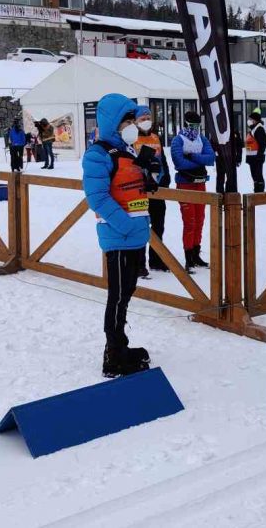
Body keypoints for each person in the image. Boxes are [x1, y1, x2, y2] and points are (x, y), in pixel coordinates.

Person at [82, 93, 154, 378]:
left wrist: (152, 174)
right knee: (118, 297)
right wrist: (124, 226)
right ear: (113, 122)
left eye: (132, 120)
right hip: (120, 237)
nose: (132, 125)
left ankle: (121, 345)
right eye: (126, 120)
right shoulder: (97, 155)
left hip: (136, 236)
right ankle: (113, 354)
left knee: (127, 293)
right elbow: (97, 198)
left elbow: (137, 188)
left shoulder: (131, 150)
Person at [170, 111, 216, 271]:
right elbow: (179, 163)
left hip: (200, 183)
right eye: (192, 126)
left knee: (200, 219)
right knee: (189, 221)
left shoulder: (201, 139)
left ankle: (196, 253)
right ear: (186, 124)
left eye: (198, 126)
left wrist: (192, 157)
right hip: (185, 184)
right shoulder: (178, 140)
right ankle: (188, 256)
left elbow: (211, 158)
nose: (195, 129)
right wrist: (198, 159)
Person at [133, 105, 172, 273]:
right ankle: (139, 263)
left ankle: (156, 260)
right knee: (141, 226)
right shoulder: (131, 138)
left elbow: (162, 160)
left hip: (158, 187)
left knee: (158, 225)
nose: (146, 121)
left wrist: (166, 178)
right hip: (140, 189)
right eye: (142, 119)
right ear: (135, 122)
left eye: (148, 118)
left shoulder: (156, 137)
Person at [212, 127, 243, 194]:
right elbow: (212, 143)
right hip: (220, 158)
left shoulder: (233, 131)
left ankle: (229, 195)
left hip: (231, 158)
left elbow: (239, 145)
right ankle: (220, 196)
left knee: (231, 177)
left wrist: (238, 158)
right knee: (220, 178)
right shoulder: (217, 130)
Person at [245, 108, 266, 192]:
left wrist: (259, 155)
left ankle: (260, 192)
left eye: (250, 119)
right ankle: (256, 191)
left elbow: (262, 144)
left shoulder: (259, 129)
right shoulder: (253, 128)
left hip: (257, 157)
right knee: (254, 176)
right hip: (252, 158)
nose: (249, 121)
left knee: (258, 176)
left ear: (255, 120)